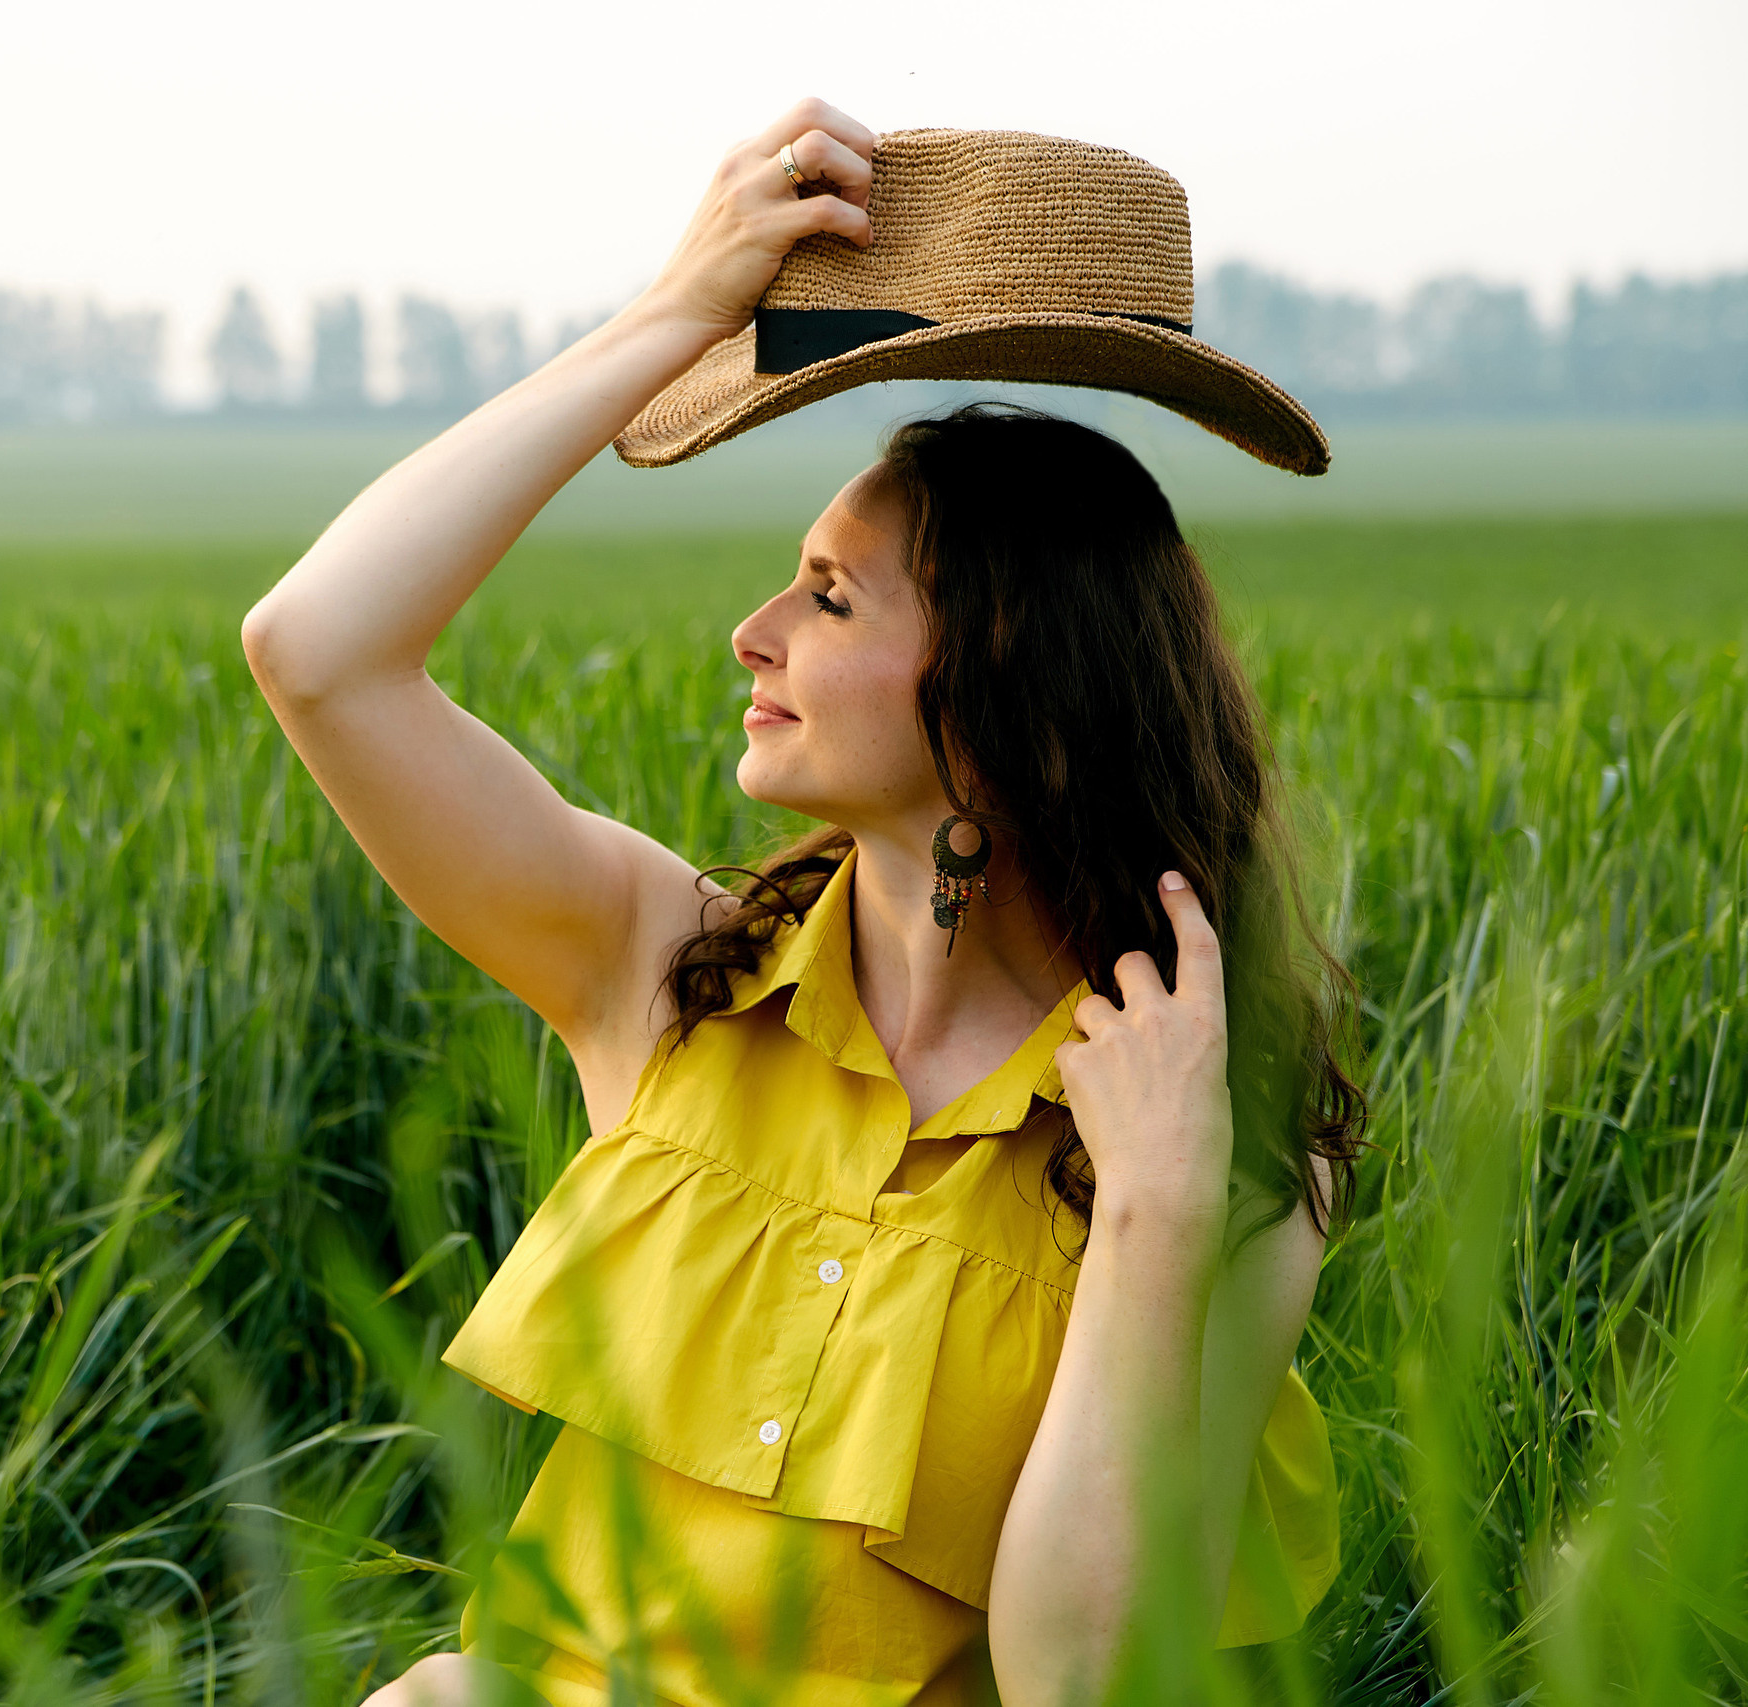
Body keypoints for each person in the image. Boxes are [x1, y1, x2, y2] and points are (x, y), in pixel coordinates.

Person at [240, 101, 1363, 1707]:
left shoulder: (1223, 1137)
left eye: (828, 596)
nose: (752, 634)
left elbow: (1078, 1680)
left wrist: (1154, 1217)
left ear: (1008, 691)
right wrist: (675, 318)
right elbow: (319, 650)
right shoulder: (661, 970)